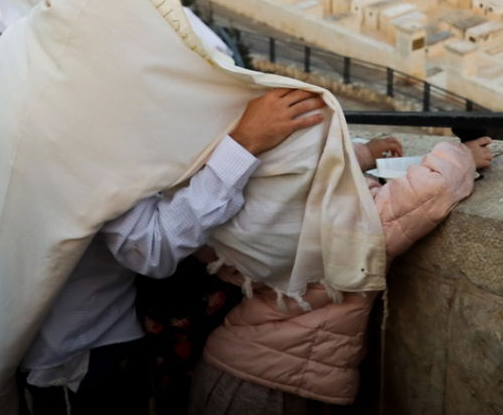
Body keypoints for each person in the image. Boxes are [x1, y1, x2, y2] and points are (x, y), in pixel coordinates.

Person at [19, 86, 327, 415]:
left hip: (85, 336)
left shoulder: (48, 92)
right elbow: (150, 249)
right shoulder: (81, 126)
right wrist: (243, 143)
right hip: (85, 351)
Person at [189, 134, 492, 414]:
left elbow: (302, 166)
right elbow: (432, 190)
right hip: (271, 386)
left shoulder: (254, 218)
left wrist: (364, 154)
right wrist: (462, 154)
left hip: (231, 366)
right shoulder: (353, 223)